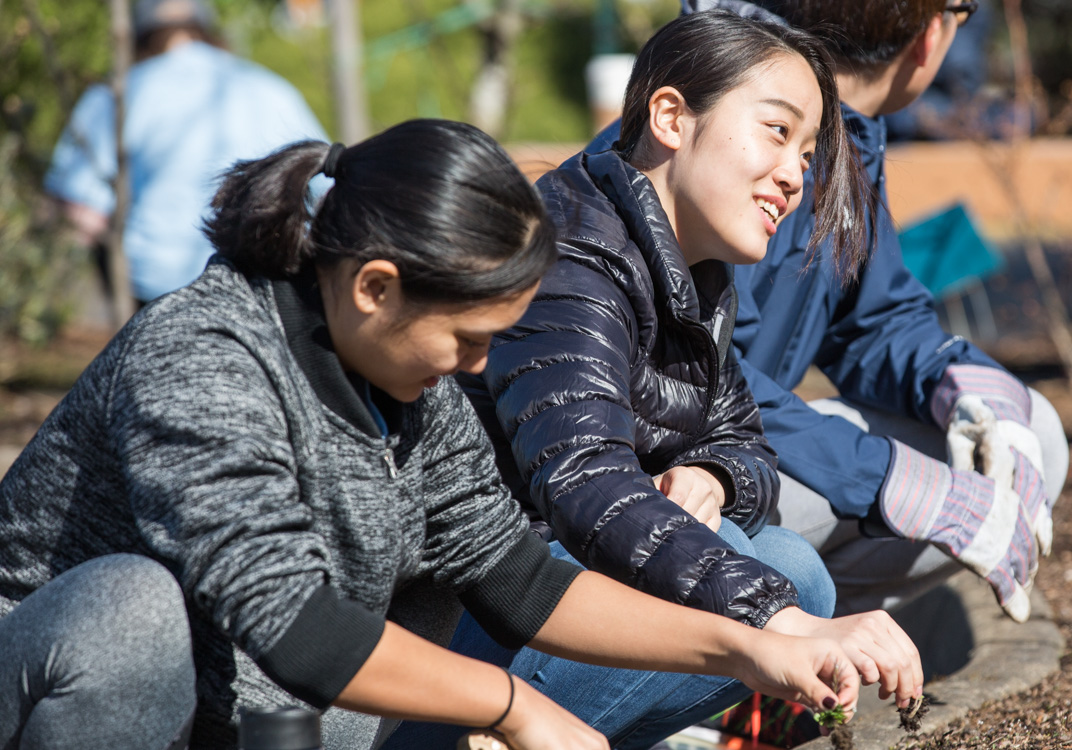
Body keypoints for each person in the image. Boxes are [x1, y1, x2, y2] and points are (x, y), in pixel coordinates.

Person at [0, 119, 865, 750]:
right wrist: (512, 707)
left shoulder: (416, 389)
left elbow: (518, 582)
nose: (480, 367)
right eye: (469, 337)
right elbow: (291, 620)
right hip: (72, 684)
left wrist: (750, 646)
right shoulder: (205, 356)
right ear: (375, 287)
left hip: (261, 706)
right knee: (135, 613)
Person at [389, 12, 920, 750]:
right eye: (777, 131)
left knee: (788, 565)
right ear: (670, 116)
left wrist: (712, 472)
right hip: (452, 617)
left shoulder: (693, 269)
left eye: (807, 152)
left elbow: (746, 440)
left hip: (529, 593)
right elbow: (581, 483)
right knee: (783, 582)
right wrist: (777, 622)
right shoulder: (572, 254)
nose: (797, 174)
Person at [660, 0, 1072, 622]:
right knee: (786, 556)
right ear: (932, 35)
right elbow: (699, 377)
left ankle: (795, 660)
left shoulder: (841, 134)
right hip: (666, 476)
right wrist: (889, 479)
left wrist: (958, 381)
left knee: (1025, 430)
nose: (791, 172)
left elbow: (872, 320)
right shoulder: (730, 136)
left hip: (728, 453)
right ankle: (743, 664)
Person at [45, 0, 325, 306]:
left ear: (138, 36)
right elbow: (323, 184)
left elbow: (82, 211)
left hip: (156, 288)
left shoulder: (117, 93)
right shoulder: (269, 88)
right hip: (262, 283)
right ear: (207, 29)